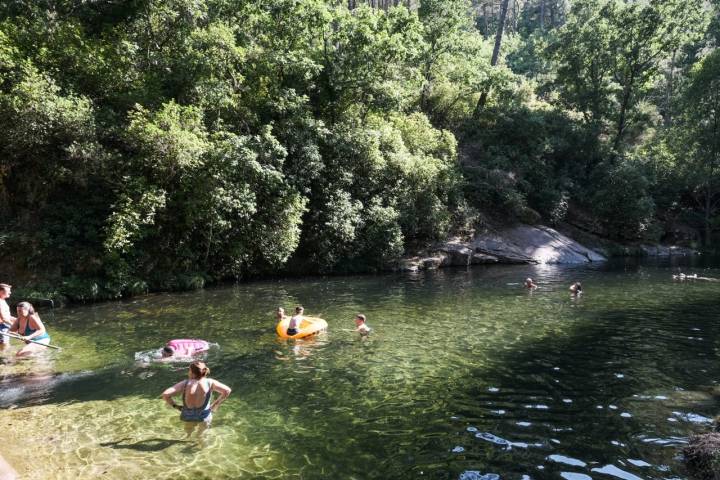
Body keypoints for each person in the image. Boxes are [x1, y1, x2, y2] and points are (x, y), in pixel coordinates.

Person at [162, 361, 231, 436]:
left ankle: (187, 439)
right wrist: (215, 405)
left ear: (192, 372)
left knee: (188, 432)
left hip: (187, 415)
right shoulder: (210, 382)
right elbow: (227, 391)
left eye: (189, 370)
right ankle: (199, 444)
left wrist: (176, 406)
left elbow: (166, 394)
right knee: (201, 434)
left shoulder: (185, 383)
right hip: (204, 415)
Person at [0, 283, 16, 349]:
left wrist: (18, 319)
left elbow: (7, 316)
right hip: (2, 326)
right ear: (1, 292)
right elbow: (3, 318)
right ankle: (5, 358)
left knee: (4, 345)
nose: (10, 292)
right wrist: (13, 325)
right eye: (8, 291)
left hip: (4, 326)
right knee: (5, 345)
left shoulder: (2, 301)